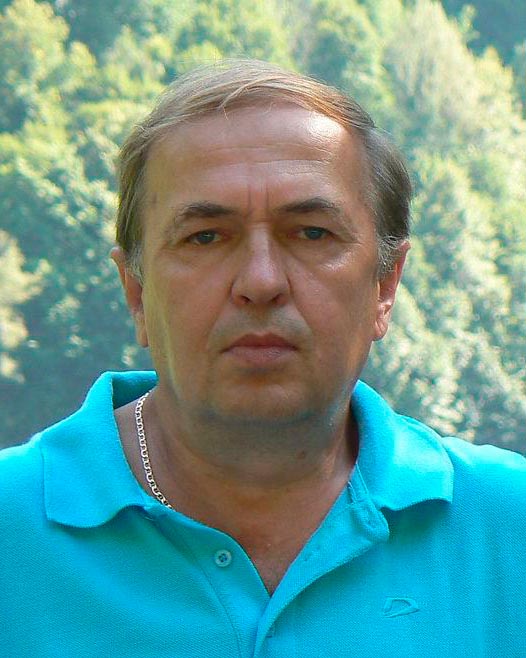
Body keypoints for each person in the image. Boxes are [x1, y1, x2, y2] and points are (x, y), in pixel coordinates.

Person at [1, 59, 525, 658]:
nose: (260, 282)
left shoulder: (508, 529)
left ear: (385, 286)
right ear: (136, 292)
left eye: (311, 233)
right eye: (205, 237)